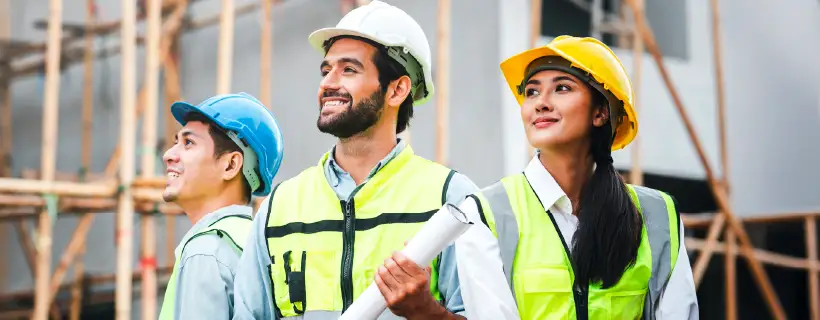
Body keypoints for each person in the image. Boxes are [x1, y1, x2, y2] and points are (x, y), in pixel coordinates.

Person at [232, 1, 481, 319]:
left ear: (397, 90)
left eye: (348, 69)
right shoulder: (279, 207)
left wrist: (426, 312)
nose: (327, 83)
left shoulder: (452, 199)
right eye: (326, 70)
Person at [452, 36, 699, 320]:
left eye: (562, 88)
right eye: (531, 92)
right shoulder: (485, 213)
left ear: (600, 112)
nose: (540, 103)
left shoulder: (659, 215)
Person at [158, 92, 285, 320]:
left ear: (231, 165)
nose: (169, 155)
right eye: (176, 142)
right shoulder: (258, 244)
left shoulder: (207, 251)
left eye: (188, 143)